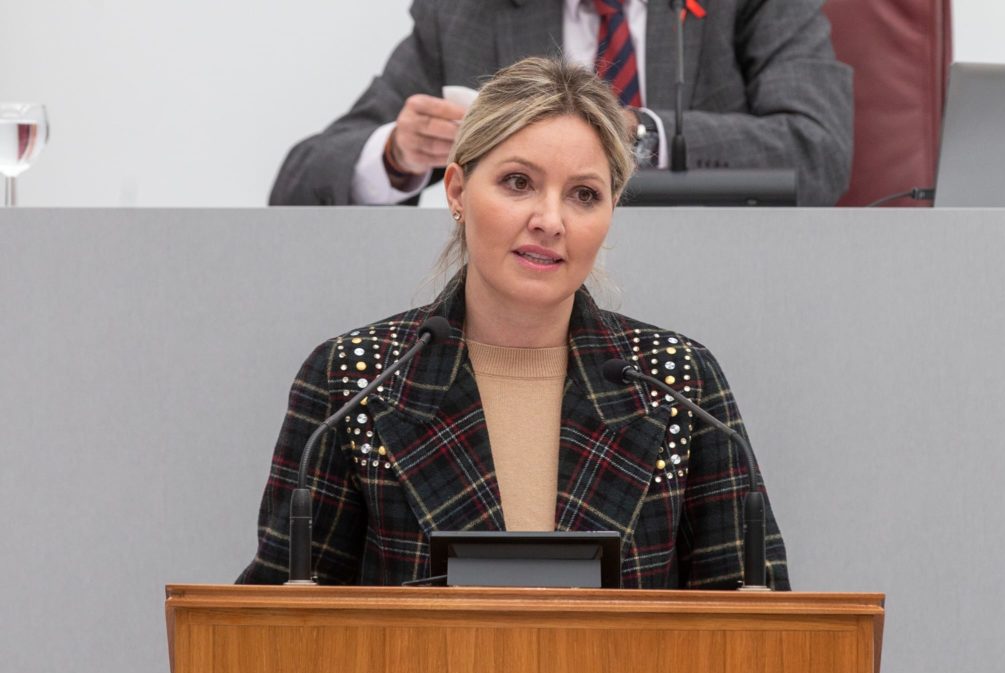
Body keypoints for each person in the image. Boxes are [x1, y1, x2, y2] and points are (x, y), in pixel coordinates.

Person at [240, 57, 789, 589]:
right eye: (518, 183)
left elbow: (755, 626)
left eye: (584, 195)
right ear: (456, 190)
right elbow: (283, 625)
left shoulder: (676, 379)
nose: (550, 221)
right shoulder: (356, 378)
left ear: (612, 210)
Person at [269, 0, 852, 208]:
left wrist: (634, 137)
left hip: (725, 280)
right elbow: (300, 185)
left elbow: (817, 150)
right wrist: (398, 154)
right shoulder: (467, 13)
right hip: (527, 306)